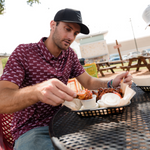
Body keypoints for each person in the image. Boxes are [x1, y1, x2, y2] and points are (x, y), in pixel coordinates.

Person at [0, 8, 132, 150]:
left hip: (67, 120)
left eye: (75, 33)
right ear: (52, 25)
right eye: (67, 29)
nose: (71, 37)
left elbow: (88, 82)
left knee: (115, 137)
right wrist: (36, 92)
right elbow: (2, 98)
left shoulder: (70, 55)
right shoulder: (24, 52)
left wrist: (111, 82)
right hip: (32, 128)